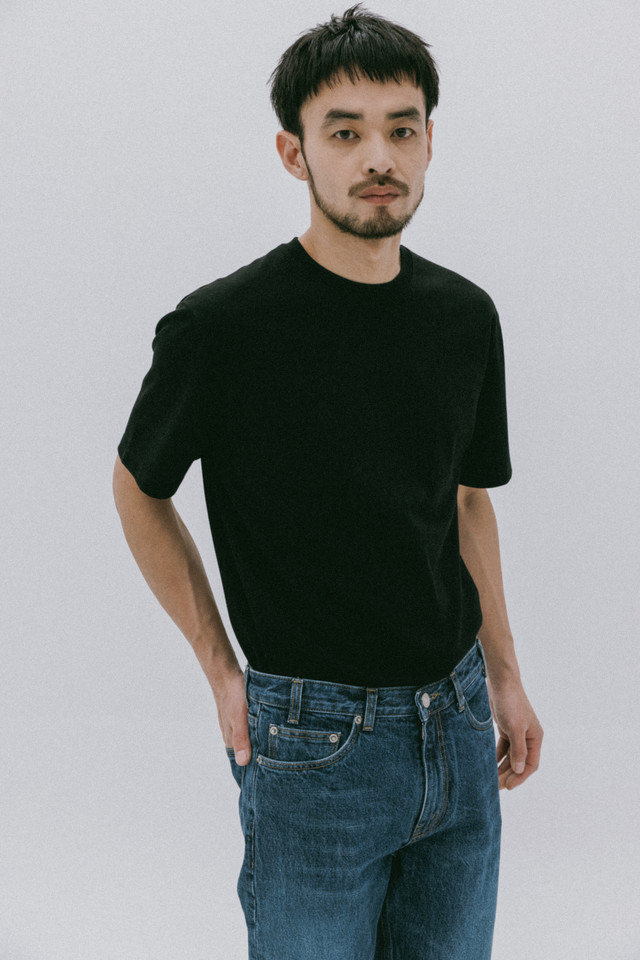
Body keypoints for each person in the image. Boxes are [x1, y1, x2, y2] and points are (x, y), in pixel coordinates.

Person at [113, 4, 543, 958]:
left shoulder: (465, 317)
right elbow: (138, 488)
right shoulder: (222, 329)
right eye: (344, 133)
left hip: (458, 719)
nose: (377, 157)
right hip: (313, 745)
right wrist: (220, 667)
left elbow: (468, 501)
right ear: (293, 152)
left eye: (401, 129)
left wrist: (508, 680)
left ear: (429, 142)